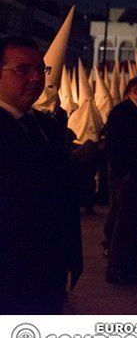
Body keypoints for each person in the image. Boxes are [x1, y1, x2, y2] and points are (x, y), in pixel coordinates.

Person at [0, 36, 82, 313]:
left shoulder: (46, 126)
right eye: (22, 70)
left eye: (41, 69)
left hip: (50, 269)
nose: (36, 78)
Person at [103, 76, 137, 284]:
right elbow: (115, 146)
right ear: (136, 90)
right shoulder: (121, 112)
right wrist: (125, 173)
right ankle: (117, 270)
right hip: (129, 177)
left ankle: (132, 262)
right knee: (124, 224)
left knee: (135, 223)